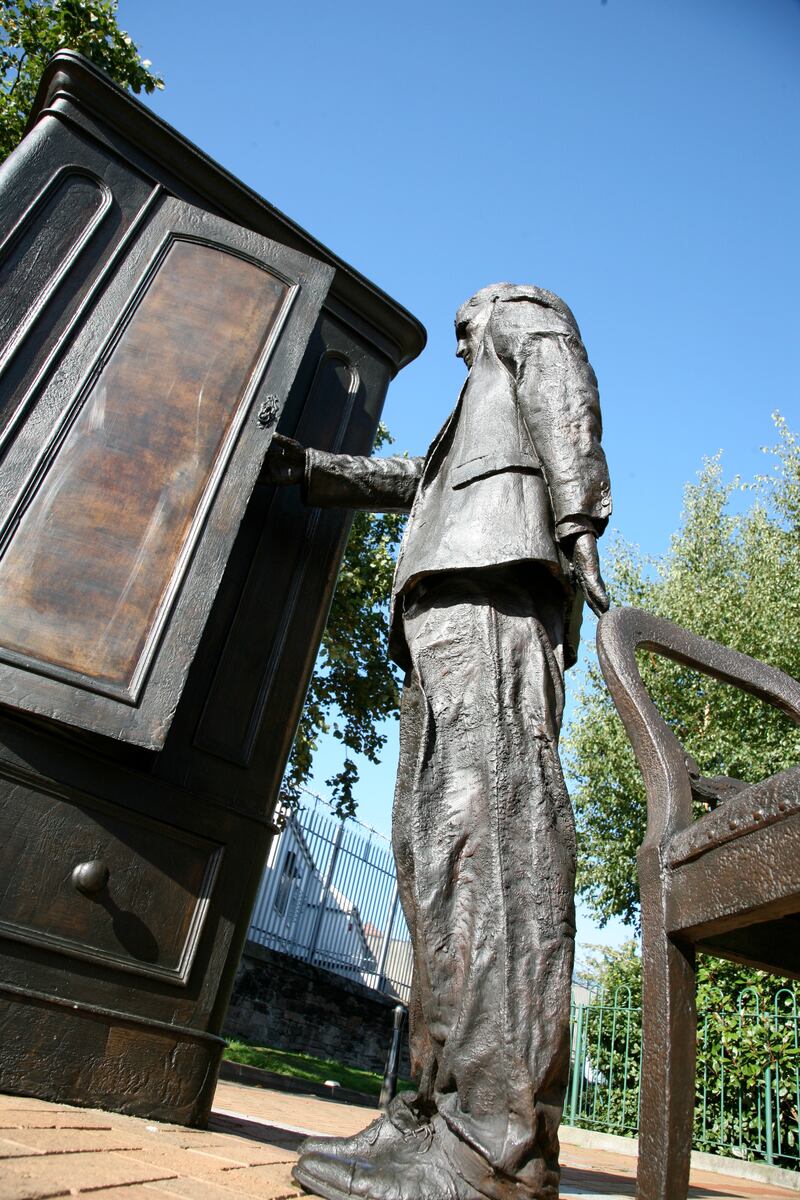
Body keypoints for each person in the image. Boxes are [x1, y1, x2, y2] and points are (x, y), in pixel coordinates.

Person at [266, 283, 612, 1200]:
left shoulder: (519, 314)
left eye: (463, 327)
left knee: (494, 845)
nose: (459, 340)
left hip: (495, 584)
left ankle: (498, 1147)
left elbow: (563, 386)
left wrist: (578, 519)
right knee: (433, 863)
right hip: (442, 605)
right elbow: (414, 484)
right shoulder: (468, 412)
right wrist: (311, 470)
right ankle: (432, 1117)